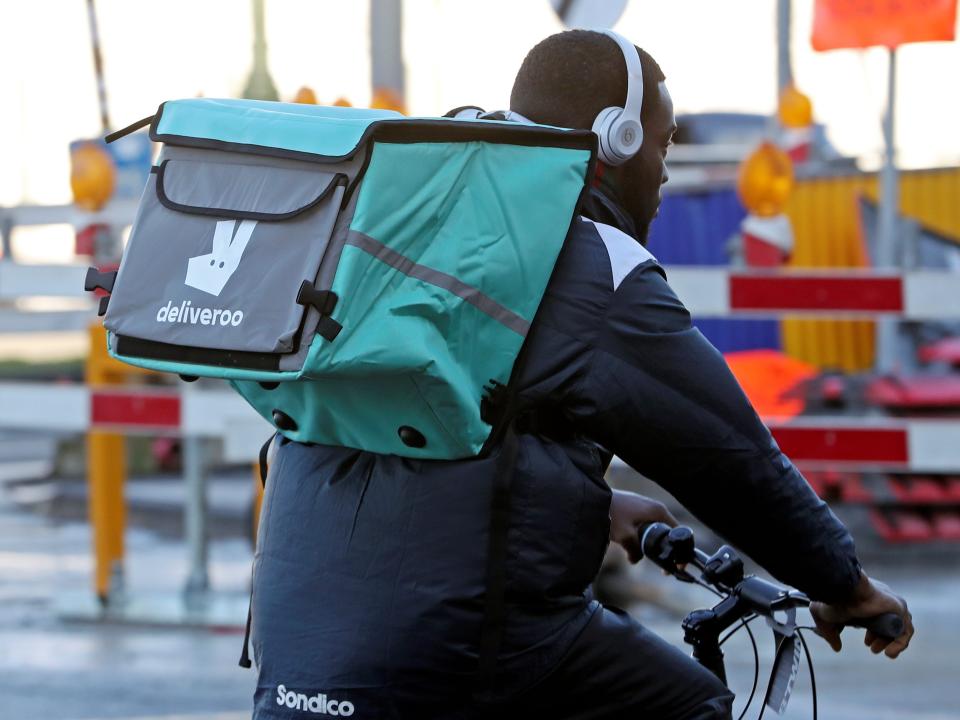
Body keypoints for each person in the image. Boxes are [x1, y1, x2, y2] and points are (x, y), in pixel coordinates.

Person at [249, 29, 913, 720]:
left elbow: (431, 425)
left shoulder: (410, 227)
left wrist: (593, 507)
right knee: (691, 705)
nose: (663, 169)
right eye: (662, 142)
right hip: (456, 651)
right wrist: (846, 585)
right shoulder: (596, 264)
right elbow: (731, 460)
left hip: (294, 642)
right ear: (616, 141)